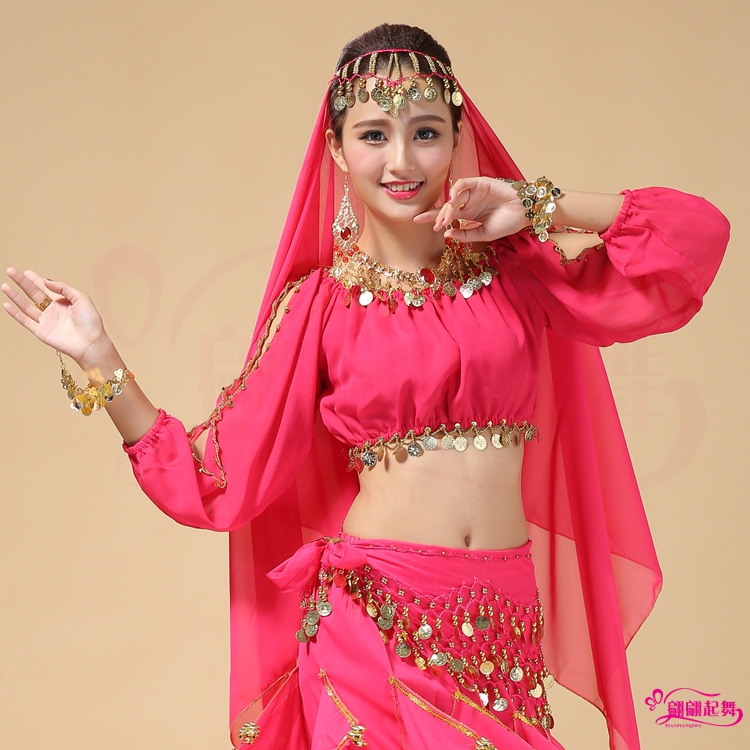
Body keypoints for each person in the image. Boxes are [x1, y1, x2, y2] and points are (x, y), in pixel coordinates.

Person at [2, 22, 730, 750]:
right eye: (374, 135)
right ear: (336, 148)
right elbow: (209, 478)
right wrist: (97, 356)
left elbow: (692, 240)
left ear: (457, 138)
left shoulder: (518, 273)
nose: (402, 161)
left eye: (425, 132)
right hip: (375, 621)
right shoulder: (318, 306)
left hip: (501, 629)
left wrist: (539, 203)